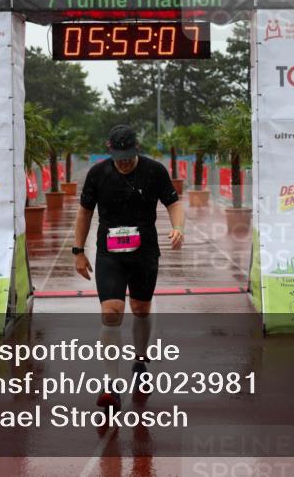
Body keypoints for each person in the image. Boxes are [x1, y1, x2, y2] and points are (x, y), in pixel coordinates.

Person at [73, 125, 185, 409]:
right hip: (110, 254)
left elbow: (173, 203)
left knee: (140, 309)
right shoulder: (97, 174)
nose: (123, 162)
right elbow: (84, 213)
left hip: (144, 252)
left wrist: (178, 227)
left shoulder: (154, 171)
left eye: (128, 157)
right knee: (111, 313)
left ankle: (140, 361)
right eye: (118, 157)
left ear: (137, 149)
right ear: (110, 150)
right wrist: (78, 251)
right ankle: (111, 385)